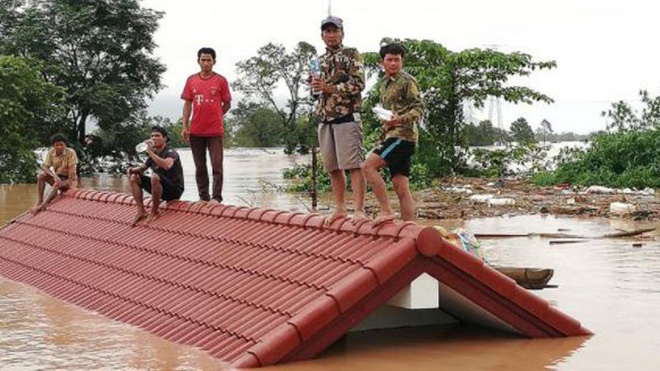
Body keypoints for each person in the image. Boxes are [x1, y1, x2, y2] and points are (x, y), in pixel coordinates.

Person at [310, 16, 367, 224]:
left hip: (347, 115)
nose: (331, 35)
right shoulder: (318, 60)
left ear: (342, 33)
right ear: (322, 35)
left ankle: (359, 209)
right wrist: (315, 87)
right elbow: (315, 93)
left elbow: (359, 84)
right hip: (325, 117)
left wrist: (330, 87)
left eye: (335, 31)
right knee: (332, 167)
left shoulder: (352, 54)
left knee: (353, 164)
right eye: (327, 31)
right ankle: (340, 208)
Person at [362, 42, 424, 225]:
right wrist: (387, 123)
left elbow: (419, 108)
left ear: (402, 61)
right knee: (401, 186)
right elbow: (390, 112)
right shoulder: (384, 84)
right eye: (390, 59)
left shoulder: (407, 81)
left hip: (403, 137)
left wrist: (398, 120)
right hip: (392, 134)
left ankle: (386, 210)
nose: (394, 63)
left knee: (368, 166)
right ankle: (409, 227)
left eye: (397, 59)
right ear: (383, 62)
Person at [181, 47, 232, 204]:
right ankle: (203, 196)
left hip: (214, 131)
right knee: (200, 166)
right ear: (198, 61)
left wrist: (217, 115)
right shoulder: (191, 80)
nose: (205, 63)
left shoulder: (220, 81)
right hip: (196, 131)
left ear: (214, 62)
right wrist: (184, 126)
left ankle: (216, 197)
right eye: (203, 60)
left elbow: (227, 103)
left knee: (217, 165)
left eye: (209, 60)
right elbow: (187, 104)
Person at [127, 126, 184, 225]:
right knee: (134, 177)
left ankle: (154, 211)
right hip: (160, 186)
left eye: (157, 136)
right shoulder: (152, 155)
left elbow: (167, 165)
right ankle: (141, 211)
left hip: (174, 189)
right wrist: (132, 170)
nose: (154, 138)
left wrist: (149, 152)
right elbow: (142, 169)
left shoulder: (171, 152)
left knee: (154, 176)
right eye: (152, 136)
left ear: (165, 139)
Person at [31, 134, 78, 215]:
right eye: (57, 145)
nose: (59, 147)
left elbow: (72, 171)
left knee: (57, 184)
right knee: (41, 176)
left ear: (65, 145)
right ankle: (40, 200)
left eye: (61, 145)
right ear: (53, 146)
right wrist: (54, 176)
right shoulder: (51, 152)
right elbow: (45, 167)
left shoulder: (71, 152)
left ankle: (43, 205)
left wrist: (70, 185)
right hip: (58, 177)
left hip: (69, 179)